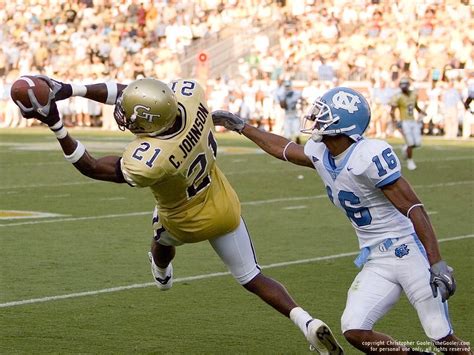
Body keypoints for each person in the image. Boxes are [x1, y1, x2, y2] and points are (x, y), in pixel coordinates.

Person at [16, 75, 343, 354]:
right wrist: (70, 88)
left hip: (184, 219)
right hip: (224, 202)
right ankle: (306, 320)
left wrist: (55, 123)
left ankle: (162, 271)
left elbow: (92, 167)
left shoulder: (150, 159)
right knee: (252, 276)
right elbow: (136, 90)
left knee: (160, 234)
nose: (125, 117)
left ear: (149, 122)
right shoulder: (189, 96)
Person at [212, 87, 470, 354]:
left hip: (408, 252)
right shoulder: (321, 153)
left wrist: (436, 261)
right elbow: (285, 149)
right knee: (354, 330)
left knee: (442, 338)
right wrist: (242, 127)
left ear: (343, 124)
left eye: (324, 116)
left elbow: (414, 208)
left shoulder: (368, 157)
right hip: (376, 258)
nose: (317, 121)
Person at [390, 78, 427, 170]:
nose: (404, 87)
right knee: (410, 143)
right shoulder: (398, 96)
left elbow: (415, 106)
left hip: (413, 121)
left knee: (417, 143)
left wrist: (421, 112)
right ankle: (410, 161)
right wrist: (395, 121)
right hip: (405, 122)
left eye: (405, 85)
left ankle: (406, 148)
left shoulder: (414, 94)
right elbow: (392, 111)